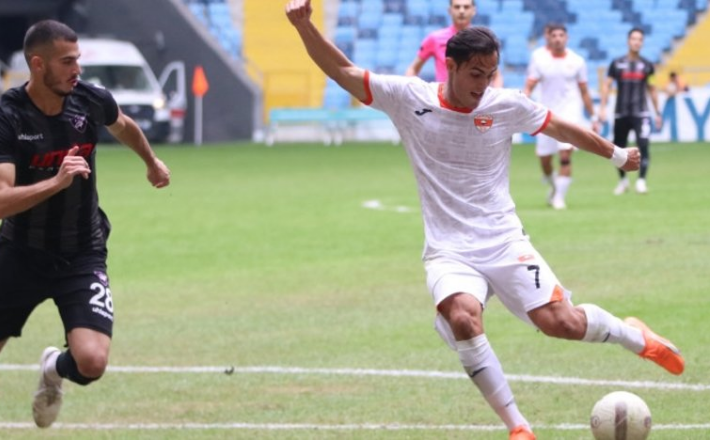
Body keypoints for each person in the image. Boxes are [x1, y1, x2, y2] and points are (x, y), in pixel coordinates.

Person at [285, 1, 683, 438]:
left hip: (504, 240)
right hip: (449, 249)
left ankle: (634, 336)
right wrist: (305, 27)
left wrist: (617, 154)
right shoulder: (409, 98)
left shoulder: (506, 105)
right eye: (475, 73)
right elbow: (342, 71)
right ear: (450, 66)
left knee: (562, 324)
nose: (483, 83)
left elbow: (563, 129)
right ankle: (519, 428)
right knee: (463, 318)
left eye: (490, 73)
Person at [0, 20, 170, 439]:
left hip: (82, 251)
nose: (77, 69)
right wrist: (56, 181)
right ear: (38, 65)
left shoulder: (89, 99)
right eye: (67, 61)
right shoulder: (6, 116)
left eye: (78, 60)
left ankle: (53, 367)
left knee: (91, 363)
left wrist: (151, 162)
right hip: (21, 253)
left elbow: (124, 124)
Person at [523, 23, 599, 210]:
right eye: (554, 35)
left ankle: (559, 198)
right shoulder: (539, 59)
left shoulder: (577, 61)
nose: (557, 38)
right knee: (545, 160)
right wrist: (522, 103)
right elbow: (530, 85)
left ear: (567, 38)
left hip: (570, 113)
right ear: (548, 37)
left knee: (565, 155)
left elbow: (584, 91)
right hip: (546, 113)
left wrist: (594, 117)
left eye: (561, 35)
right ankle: (554, 187)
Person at [599, 28, 662, 195]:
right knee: (618, 149)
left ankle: (641, 181)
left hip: (641, 113)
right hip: (621, 113)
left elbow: (652, 89)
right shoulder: (617, 63)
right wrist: (603, 108)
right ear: (628, 41)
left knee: (643, 145)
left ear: (642, 42)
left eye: (639, 39)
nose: (636, 42)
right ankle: (623, 181)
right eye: (634, 39)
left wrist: (658, 113)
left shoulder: (648, 66)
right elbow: (607, 85)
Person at [405, 0, 502, 87]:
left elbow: (496, 76)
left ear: (474, 10)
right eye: (457, 7)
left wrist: (496, 100)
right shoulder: (434, 38)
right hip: (444, 101)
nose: (461, 11)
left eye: (466, 7)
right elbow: (413, 69)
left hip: (474, 100)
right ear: (449, 10)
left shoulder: (482, 40)